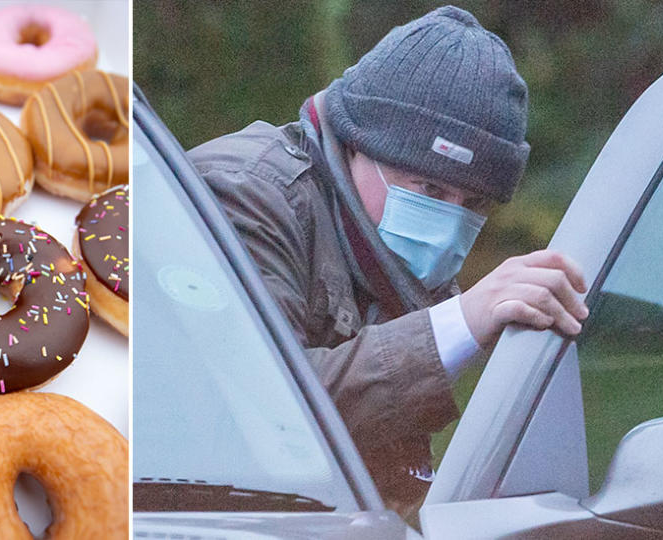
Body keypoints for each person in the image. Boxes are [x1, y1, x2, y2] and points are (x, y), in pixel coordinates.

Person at [188, 5, 589, 510]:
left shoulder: (383, 249)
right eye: (429, 187)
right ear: (358, 146)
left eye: (475, 203)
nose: (449, 222)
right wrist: (459, 324)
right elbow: (265, 411)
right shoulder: (244, 195)